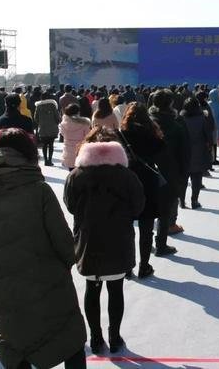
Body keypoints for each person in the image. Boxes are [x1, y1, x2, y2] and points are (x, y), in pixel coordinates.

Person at [0, 128, 87, 368]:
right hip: (49, 285)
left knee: (17, 346)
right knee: (69, 340)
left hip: (7, 291)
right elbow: (64, 243)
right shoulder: (39, 190)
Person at [64, 127, 145, 354]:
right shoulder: (126, 176)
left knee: (92, 288)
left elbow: (70, 205)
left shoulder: (77, 175)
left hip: (89, 240)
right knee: (116, 290)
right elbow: (138, 206)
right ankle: (115, 336)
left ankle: (96, 336)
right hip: (118, 240)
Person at [120, 103, 174, 276]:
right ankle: (144, 266)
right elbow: (163, 151)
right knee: (146, 227)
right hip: (148, 181)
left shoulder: (122, 134)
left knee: (127, 228)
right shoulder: (151, 134)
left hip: (127, 181)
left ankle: (127, 267)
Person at [149, 89, 190, 237]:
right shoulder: (177, 122)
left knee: (151, 199)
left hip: (150, 166)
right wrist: (184, 171)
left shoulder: (148, 121)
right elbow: (184, 149)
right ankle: (170, 225)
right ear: (171, 103)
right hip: (171, 167)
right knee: (171, 199)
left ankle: (151, 234)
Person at [180, 98, 212, 209]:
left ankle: (182, 201)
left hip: (183, 152)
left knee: (183, 179)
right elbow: (208, 135)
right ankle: (194, 201)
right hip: (199, 151)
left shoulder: (180, 118)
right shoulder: (202, 118)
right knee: (197, 179)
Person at [59, 104, 91, 171]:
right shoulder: (84, 123)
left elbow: (62, 134)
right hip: (80, 148)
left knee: (71, 169)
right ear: (78, 112)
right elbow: (88, 135)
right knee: (80, 169)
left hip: (68, 148)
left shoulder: (63, 124)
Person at [34, 90, 62, 166]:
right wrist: (56, 123)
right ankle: (50, 160)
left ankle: (45, 160)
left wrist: (40, 123)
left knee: (44, 145)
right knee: (51, 145)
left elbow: (36, 118)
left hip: (42, 128)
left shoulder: (38, 106)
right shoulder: (53, 105)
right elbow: (58, 117)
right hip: (52, 128)